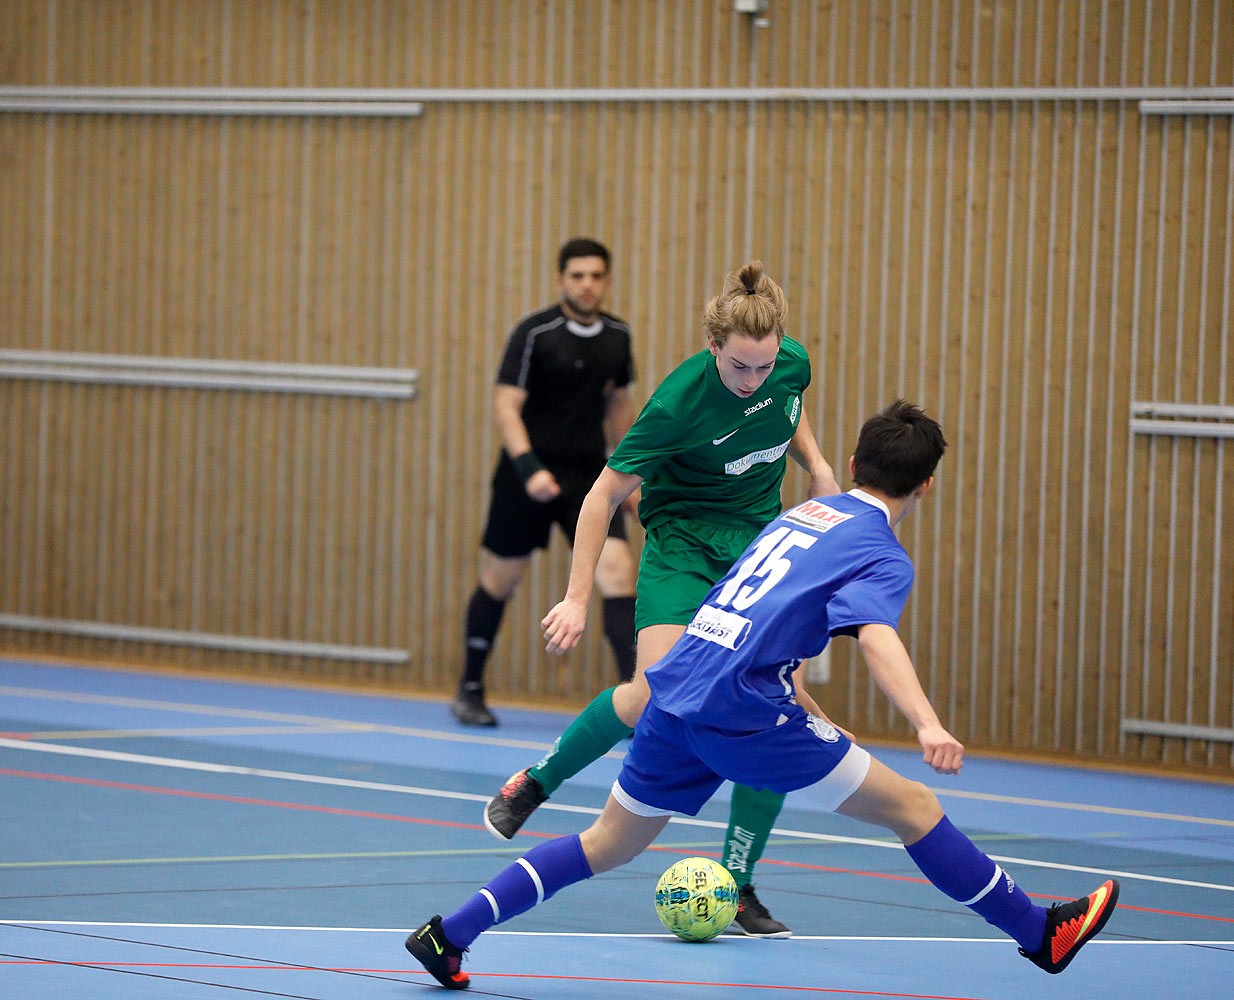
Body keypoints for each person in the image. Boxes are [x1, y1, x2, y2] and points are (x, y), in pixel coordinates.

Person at [408, 401, 1120, 989]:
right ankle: (1041, 935)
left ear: (850, 466)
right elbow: (875, 638)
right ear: (926, 486)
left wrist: (804, 711)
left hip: (678, 688)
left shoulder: (801, 517)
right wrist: (927, 723)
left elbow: (744, 619)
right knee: (916, 806)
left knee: (605, 844)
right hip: (742, 713)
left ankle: (450, 934)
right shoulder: (880, 552)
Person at [482, 260, 839, 936]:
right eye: (739, 367)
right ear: (713, 348)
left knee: (771, 707)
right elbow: (601, 495)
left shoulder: (790, 365)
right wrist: (577, 598)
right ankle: (539, 778)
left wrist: (817, 466)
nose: (752, 380)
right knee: (652, 694)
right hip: (681, 543)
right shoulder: (678, 401)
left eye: (763, 367)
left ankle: (738, 883)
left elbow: (789, 411)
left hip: (757, 549)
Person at [451, 238, 639, 727]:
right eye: (577, 276)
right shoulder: (535, 332)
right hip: (527, 472)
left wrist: (634, 475)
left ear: (607, 280)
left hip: (588, 478)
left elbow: (619, 407)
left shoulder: (617, 336)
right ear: (561, 280)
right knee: (501, 577)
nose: (587, 284)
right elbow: (505, 405)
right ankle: (470, 687)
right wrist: (529, 467)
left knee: (619, 573)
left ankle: (636, 703)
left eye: (596, 276)